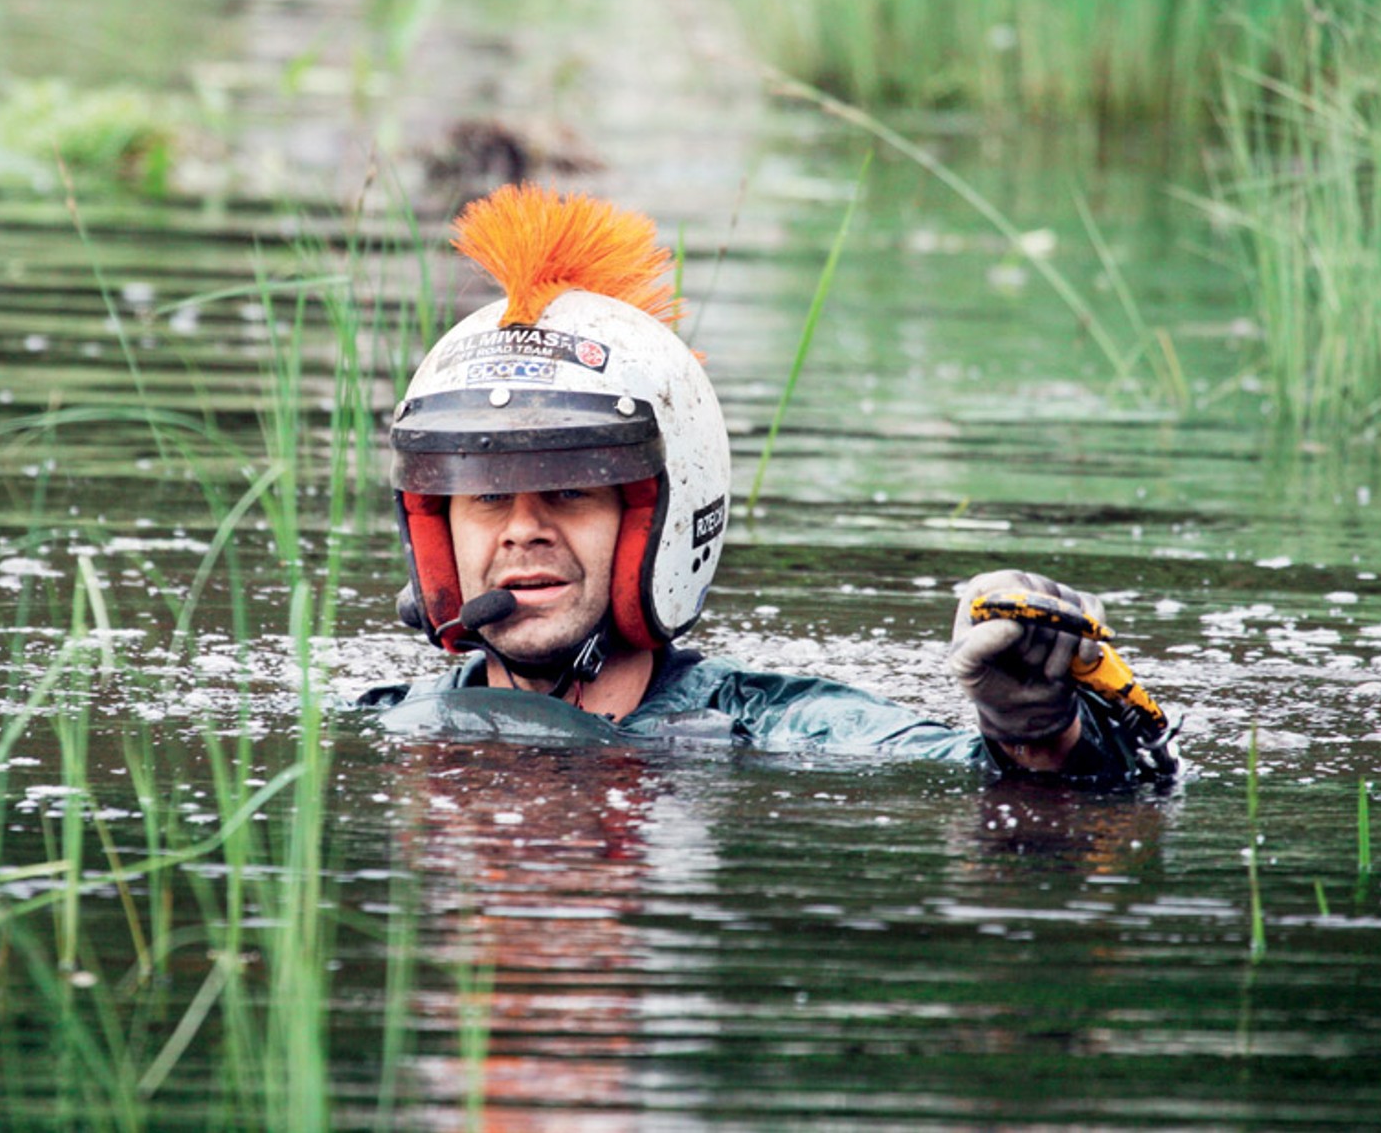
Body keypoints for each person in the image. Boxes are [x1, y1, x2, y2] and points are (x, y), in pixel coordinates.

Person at [363, 184, 1176, 787]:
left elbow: (982, 780)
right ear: (438, 534)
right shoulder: (387, 722)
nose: (522, 530)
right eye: (487, 498)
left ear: (664, 520)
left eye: (569, 493)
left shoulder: (776, 727)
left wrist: (1034, 730)